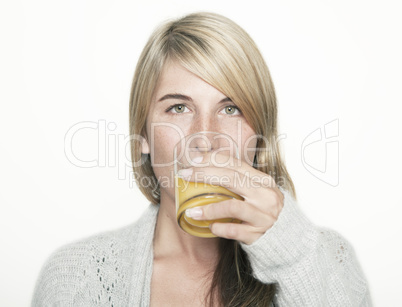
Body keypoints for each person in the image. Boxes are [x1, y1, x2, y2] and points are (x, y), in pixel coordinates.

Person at [32, 12, 372, 306]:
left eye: (231, 108)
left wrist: (291, 254)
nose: (206, 138)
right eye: (178, 108)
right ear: (144, 135)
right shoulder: (76, 279)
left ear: (259, 136)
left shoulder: (327, 262)